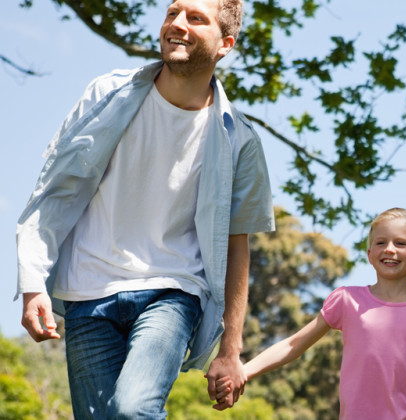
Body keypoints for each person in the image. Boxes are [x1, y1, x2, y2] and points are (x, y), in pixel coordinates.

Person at [15, 0, 274, 417]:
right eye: (172, 13)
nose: (177, 24)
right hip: (88, 293)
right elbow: (54, 191)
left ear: (225, 44)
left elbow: (236, 244)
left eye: (195, 18)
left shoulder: (238, 140)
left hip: (172, 291)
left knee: (135, 410)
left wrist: (231, 349)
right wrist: (33, 283)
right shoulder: (106, 95)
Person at [215, 207, 406, 418]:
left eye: (400, 243)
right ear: (369, 253)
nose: (389, 249)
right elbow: (294, 344)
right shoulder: (346, 299)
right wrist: (244, 371)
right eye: (381, 242)